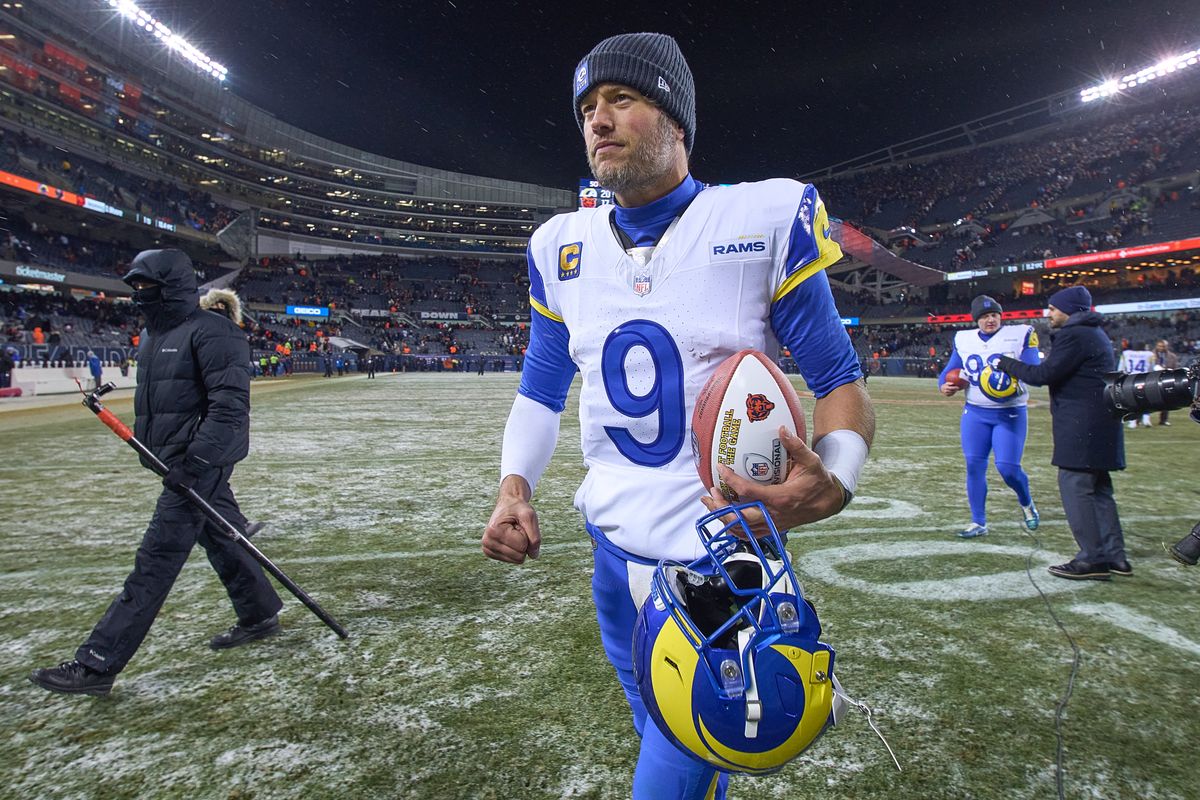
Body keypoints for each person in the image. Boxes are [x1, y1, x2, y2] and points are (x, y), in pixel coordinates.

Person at [482, 33, 874, 800]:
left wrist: (841, 480)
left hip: (712, 559)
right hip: (609, 544)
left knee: (679, 753)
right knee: (660, 723)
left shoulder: (760, 217)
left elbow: (839, 380)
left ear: (677, 120)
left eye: (622, 100)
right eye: (588, 109)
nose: (599, 120)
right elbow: (539, 388)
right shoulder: (559, 246)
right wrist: (514, 485)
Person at [29, 249, 283, 696]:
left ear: (172, 286)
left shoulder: (214, 332)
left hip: (194, 467)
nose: (138, 295)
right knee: (223, 538)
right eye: (135, 286)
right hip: (171, 464)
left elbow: (230, 411)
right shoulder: (153, 336)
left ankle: (97, 664)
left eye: (147, 286)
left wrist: (196, 463)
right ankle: (259, 612)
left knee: (154, 562)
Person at [994, 285, 1129, 581]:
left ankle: (1092, 559)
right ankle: (1115, 556)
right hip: (1102, 420)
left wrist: (1005, 362)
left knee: (1075, 486)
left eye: (1054, 308)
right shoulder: (1095, 333)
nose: (1049, 313)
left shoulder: (1075, 334)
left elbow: (1043, 375)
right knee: (1100, 490)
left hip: (1082, 424)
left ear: (1069, 309)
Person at [937, 295, 1040, 538]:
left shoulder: (1020, 334)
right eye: (984, 316)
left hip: (1010, 412)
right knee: (974, 465)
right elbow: (949, 371)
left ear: (1000, 316)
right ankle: (978, 521)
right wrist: (945, 385)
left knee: (1008, 468)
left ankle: (1027, 503)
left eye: (994, 315)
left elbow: (1034, 368)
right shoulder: (964, 338)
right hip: (974, 412)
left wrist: (1011, 372)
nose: (990, 319)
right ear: (976, 320)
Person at [1119, 343, 1154, 428]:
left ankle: (1133, 422)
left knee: (1132, 401)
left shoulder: (1126, 353)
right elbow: (1151, 368)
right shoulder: (1149, 354)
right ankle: (1146, 420)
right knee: (1146, 400)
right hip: (1143, 379)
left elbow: (1121, 368)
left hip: (1130, 379)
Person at [1152, 339, 1180, 425]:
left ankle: (1163, 420)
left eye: (1163, 346)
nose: (1161, 348)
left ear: (1166, 347)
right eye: (1159, 346)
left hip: (1166, 380)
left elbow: (1176, 369)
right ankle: (1139, 420)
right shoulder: (1150, 355)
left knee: (1166, 400)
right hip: (1152, 379)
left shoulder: (1172, 356)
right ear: (1156, 346)